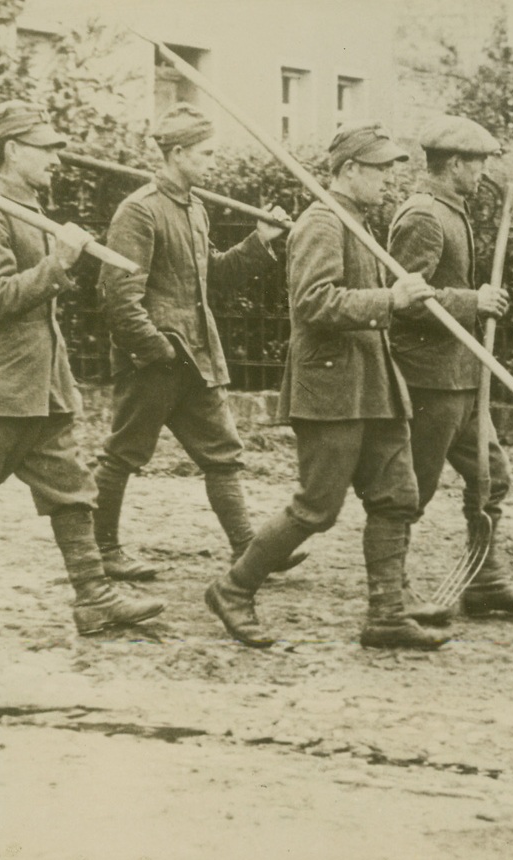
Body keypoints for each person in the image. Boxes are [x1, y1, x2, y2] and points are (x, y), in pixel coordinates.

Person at [0, 100, 164, 641]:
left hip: (41, 384)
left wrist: (57, 255)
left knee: (70, 488)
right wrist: (60, 262)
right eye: (45, 149)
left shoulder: (35, 212)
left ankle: (94, 598)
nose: (56, 159)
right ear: (13, 150)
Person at [204, 121, 448, 651]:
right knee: (317, 507)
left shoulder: (356, 220)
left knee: (396, 496)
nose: (390, 179)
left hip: (373, 384)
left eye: (392, 168)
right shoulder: (321, 222)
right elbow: (314, 303)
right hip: (332, 385)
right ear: (349, 170)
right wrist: (392, 301)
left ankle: (386, 615)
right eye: (380, 169)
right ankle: (234, 589)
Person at [94, 103, 290, 581]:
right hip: (156, 361)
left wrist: (260, 240)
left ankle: (247, 551)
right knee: (124, 453)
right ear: (177, 153)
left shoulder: (195, 209)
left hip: (197, 361)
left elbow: (213, 277)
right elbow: (117, 295)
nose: (212, 162)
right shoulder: (138, 212)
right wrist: (156, 349)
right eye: (205, 153)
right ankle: (103, 551)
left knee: (222, 453)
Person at [387, 114, 513, 621]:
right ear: (453, 163)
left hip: (463, 376)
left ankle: (486, 581)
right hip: (431, 378)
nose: (482, 173)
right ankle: (393, 593)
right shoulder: (423, 217)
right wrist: (472, 301)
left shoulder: (453, 209)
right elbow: (407, 300)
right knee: (415, 487)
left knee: (491, 477)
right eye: (476, 163)